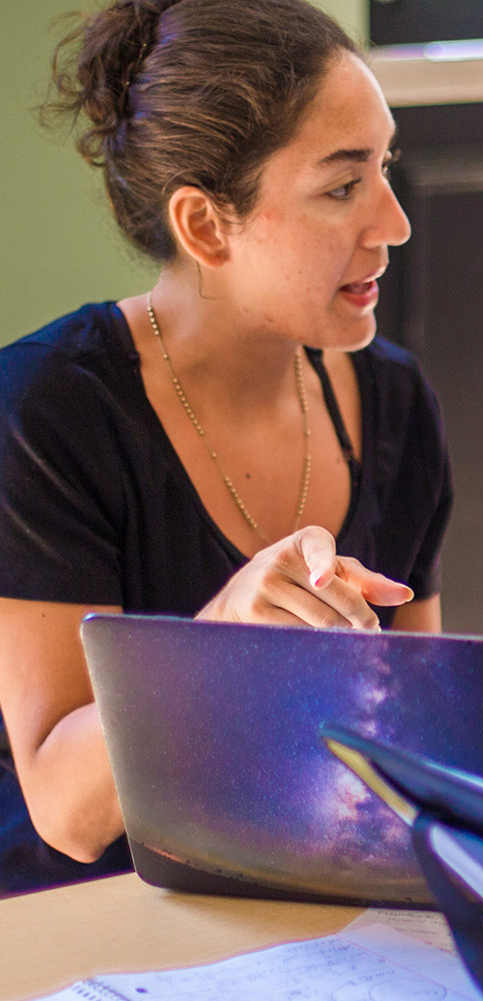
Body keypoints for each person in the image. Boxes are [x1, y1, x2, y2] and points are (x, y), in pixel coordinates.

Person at [0, 0, 452, 895]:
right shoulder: (45, 410)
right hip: (76, 920)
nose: (393, 223)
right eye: (341, 186)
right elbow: (65, 810)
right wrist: (222, 639)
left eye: (385, 167)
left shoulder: (396, 403)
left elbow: (414, 735)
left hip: (306, 901)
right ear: (207, 226)